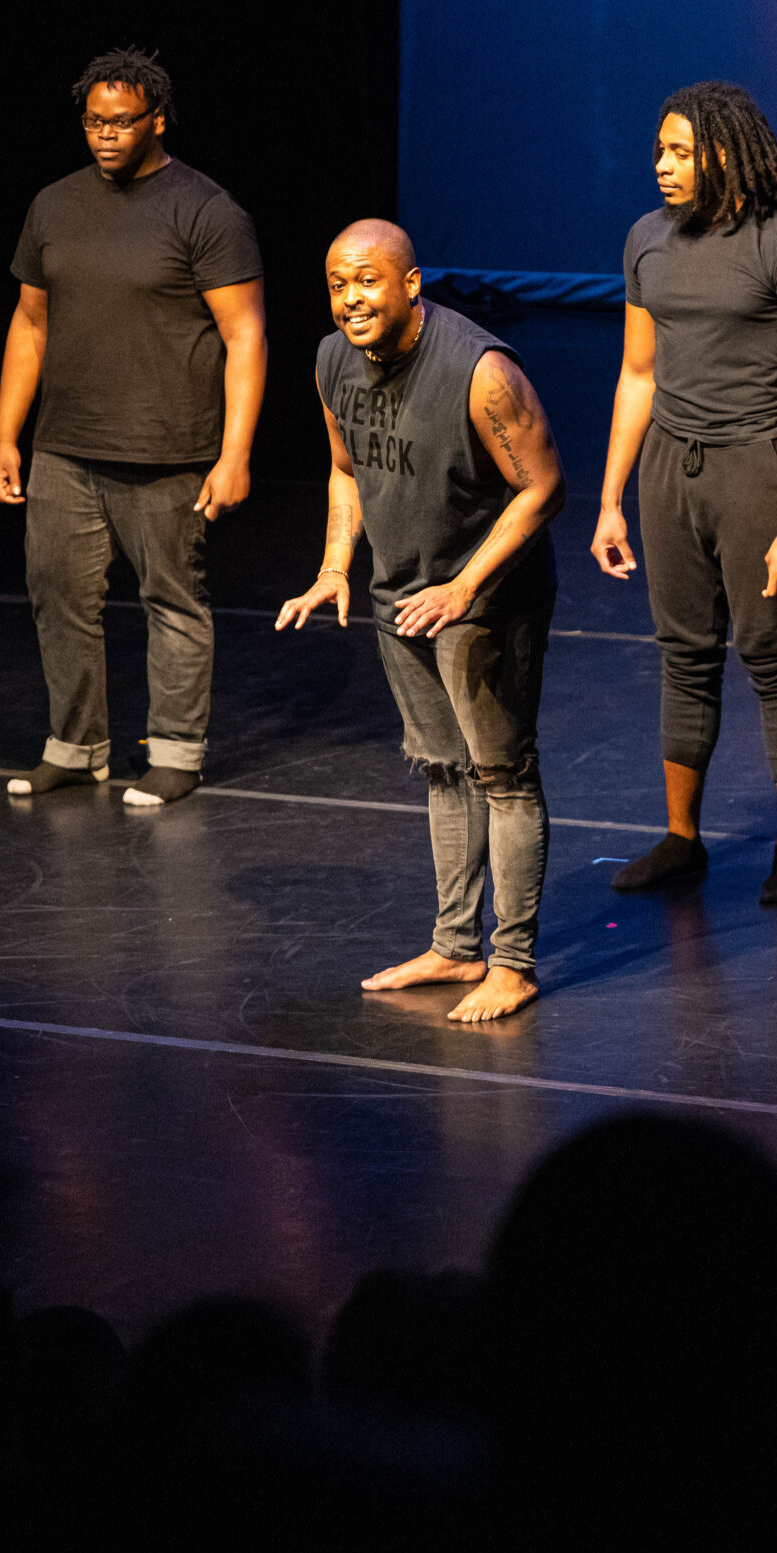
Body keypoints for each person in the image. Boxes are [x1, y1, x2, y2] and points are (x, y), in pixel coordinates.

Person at [276, 221, 562, 1024]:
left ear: (411, 284)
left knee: (502, 774)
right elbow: (345, 469)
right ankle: (455, 943)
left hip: (485, 597)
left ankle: (511, 963)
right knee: (443, 767)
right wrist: (336, 567)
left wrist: (465, 587)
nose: (350, 299)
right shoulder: (334, 360)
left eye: (366, 280)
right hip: (400, 593)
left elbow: (542, 488)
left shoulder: (483, 373)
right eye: (337, 283)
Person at [0, 46, 266, 807]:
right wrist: (6, 435)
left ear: (157, 120)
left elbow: (246, 336)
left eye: (120, 122)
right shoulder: (54, 205)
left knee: (172, 598)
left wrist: (235, 452)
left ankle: (175, 751)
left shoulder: (206, 210)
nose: (105, 135)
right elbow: (30, 322)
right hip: (65, 443)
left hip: (166, 445)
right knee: (56, 592)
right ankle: (75, 748)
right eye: (92, 122)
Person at [589, 82, 777, 907]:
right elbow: (636, 373)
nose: (660, 165)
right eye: (658, 150)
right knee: (683, 653)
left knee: (771, 651)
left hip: (754, 470)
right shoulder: (645, 240)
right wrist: (611, 498)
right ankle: (681, 837)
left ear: (723, 156)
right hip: (671, 469)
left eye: (679, 152)